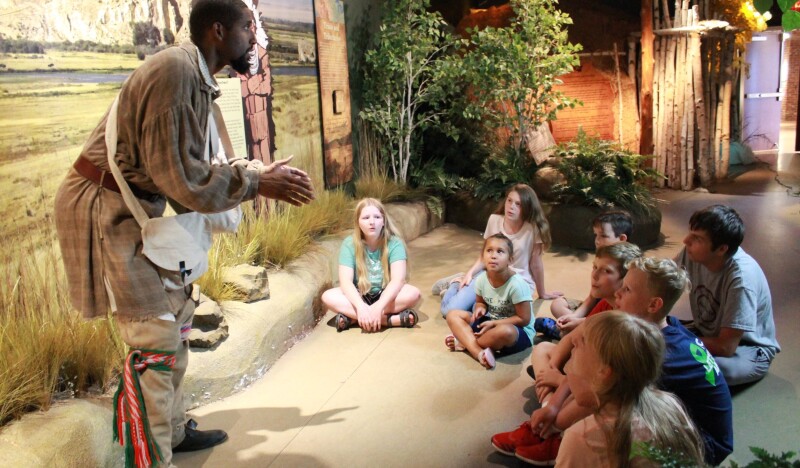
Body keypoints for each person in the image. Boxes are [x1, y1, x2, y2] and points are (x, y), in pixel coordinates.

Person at [54, 1, 315, 466]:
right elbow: (184, 180)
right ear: (218, 31)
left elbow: (193, 167)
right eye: (248, 26)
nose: (256, 37)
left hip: (134, 208)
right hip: (105, 209)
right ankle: (151, 457)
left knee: (175, 322)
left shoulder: (194, 77)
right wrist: (257, 182)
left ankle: (171, 432)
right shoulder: (175, 73)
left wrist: (251, 173)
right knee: (153, 337)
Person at [494, 258, 733, 466]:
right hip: (670, 416)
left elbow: (600, 396)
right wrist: (555, 405)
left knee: (602, 393)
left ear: (653, 304)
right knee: (582, 372)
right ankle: (548, 424)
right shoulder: (653, 327)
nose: (618, 293)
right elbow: (582, 364)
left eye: (627, 289)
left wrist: (557, 414)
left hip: (698, 445)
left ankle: (551, 435)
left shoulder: (658, 351)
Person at [675, 205, 780, 386]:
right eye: (690, 233)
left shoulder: (741, 278)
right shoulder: (691, 254)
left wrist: (674, 341)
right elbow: (660, 284)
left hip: (747, 349)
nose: (686, 241)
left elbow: (725, 347)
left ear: (721, 249)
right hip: (707, 332)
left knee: (702, 369)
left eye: (697, 238)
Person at [433, 184, 561, 317]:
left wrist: (542, 292)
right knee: (449, 311)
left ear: (527, 208)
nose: (511, 207)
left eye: (518, 204)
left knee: (485, 314)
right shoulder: (494, 220)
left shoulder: (533, 229)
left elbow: (536, 263)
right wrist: (469, 274)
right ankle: (454, 284)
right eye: (509, 200)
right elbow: (484, 256)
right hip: (490, 276)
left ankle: (466, 295)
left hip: (518, 280)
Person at [321, 198, 421, 332]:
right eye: (366, 218)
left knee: (413, 293)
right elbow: (345, 282)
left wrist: (379, 306)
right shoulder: (349, 244)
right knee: (327, 296)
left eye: (377, 217)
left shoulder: (394, 243)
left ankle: (353, 319)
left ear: (384, 220)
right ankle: (389, 320)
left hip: (386, 296)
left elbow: (398, 280)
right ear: (358, 222)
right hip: (360, 295)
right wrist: (360, 307)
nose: (372, 222)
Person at [444, 233, 534, 369]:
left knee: (505, 331)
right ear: (483, 256)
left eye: (500, 251)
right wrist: (480, 308)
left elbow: (523, 319)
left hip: (515, 330)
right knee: (452, 314)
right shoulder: (481, 279)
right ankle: (478, 352)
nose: (493, 255)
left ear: (510, 259)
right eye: (489, 251)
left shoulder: (517, 285)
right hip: (489, 322)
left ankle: (465, 342)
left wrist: (494, 323)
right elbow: (480, 302)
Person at [532, 242, 641, 341]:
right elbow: (589, 321)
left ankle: (561, 333)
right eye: (595, 267)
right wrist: (574, 318)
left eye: (606, 271)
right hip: (592, 320)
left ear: (626, 279)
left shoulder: (628, 315)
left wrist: (577, 325)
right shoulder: (605, 302)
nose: (594, 275)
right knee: (558, 305)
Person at [549, 210, 633, 319]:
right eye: (596, 235)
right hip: (597, 309)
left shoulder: (630, 266)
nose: (597, 240)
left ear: (622, 239)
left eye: (603, 236)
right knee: (557, 304)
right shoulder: (602, 257)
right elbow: (592, 298)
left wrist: (580, 323)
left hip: (613, 316)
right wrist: (574, 318)